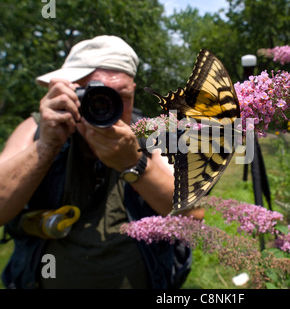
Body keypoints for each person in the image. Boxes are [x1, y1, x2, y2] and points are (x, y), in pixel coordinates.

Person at [0, 35, 199, 289]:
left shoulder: (154, 135)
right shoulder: (38, 129)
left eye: (120, 96)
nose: (104, 106)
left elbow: (193, 218)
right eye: (92, 95)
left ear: (134, 94)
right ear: (68, 92)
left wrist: (136, 165)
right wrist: (47, 146)